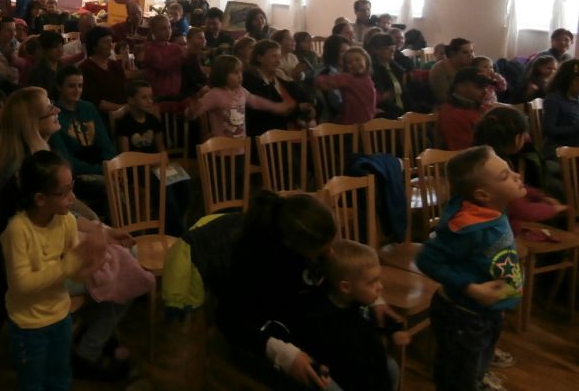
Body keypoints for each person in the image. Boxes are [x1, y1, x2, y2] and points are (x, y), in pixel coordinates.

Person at [0, 87, 134, 380]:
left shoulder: (36, 159)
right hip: (40, 272)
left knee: (125, 255)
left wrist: (103, 230)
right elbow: (44, 239)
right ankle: (88, 349)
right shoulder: (24, 175)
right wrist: (90, 244)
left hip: (54, 257)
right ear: (32, 123)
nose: (57, 110)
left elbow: (68, 215)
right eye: (49, 108)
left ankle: (88, 337)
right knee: (127, 268)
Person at [416, 145, 525, 391]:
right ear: (483, 195)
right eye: (505, 175)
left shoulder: (494, 208)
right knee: (457, 375)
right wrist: (471, 288)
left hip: (486, 312)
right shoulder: (465, 228)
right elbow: (427, 260)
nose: (517, 175)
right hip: (464, 317)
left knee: (478, 361)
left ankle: (478, 377)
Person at [1, 150, 107, 391]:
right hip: (28, 325)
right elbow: (21, 284)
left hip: (60, 316)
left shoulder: (67, 221)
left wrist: (91, 263)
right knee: (32, 384)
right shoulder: (18, 230)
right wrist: (71, 263)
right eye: (64, 192)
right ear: (40, 198)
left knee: (60, 379)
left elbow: (73, 273)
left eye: (72, 187)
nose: (72, 197)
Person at [215, 191, 341, 389]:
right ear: (294, 246)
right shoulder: (256, 261)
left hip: (299, 328)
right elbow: (231, 320)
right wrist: (282, 353)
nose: (331, 254)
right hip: (264, 340)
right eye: (323, 251)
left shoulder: (305, 248)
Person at [289, 240, 408, 391]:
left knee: (393, 369)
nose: (380, 286)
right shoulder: (320, 316)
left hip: (372, 367)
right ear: (346, 287)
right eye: (372, 282)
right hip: (351, 377)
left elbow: (380, 320)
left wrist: (395, 330)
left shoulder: (359, 300)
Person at [473, 107, 566, 233]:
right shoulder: (497, 168)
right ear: (517, 139)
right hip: (498, 233)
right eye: (524, 136)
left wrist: (540, 196)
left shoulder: (486, 159)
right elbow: (520, 209)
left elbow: (517, 186)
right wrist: (554, 209)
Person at [115, 79, 189, 236]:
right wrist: (151, 164)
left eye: (151, 97)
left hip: (157, 165)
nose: (149, 101)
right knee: (165, 190)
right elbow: (125, 154)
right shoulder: (124, 123)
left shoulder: (153, 120)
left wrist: (165, 163)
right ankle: (176, 232)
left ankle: (175, 222)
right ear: (131, 100)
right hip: (138, 169)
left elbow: (160, 147)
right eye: (144, 97)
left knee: (183, 182)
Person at [49, 66, 115, 209]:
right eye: (71, 86)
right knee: (110, 187)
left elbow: (105, 144)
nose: (77, 90)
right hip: (76, 172)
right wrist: (101, 170)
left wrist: (110, 165)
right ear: (59, 87)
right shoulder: (54, 115)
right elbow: (65, 158)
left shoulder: (88, 108)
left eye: (80, 86)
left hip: (100, 164)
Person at [188, 54, 293, 140]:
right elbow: (195, 112)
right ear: (222, 74)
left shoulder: (241, 91)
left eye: (240, 72)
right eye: (235, 72)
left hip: (241, 147)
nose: (240, 76)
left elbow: (255, 101)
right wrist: (192, 110)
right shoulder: (215, 94)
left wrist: (275, 107)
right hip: (222, 150)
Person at [243, 39, 314, 137]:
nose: (278, 61)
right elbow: (267, 113)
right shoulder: (250, 81)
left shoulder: (281, 79)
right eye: (274, 56)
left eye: (279, 57)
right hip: (269, 137)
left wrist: (309, 110)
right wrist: (298, 108)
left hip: (294, 134)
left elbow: (304, 98)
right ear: (260, 58)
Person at [313, 47, 377, 125]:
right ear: (346, 67)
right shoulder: (348, 78)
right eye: (350, 62)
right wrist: (317, 79)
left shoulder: (368, 79)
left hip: (368, 121)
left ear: (366, 61)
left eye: (357, 60)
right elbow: (327, 81)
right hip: (351, 123)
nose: (354, 63)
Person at [438, 67, 495, 150]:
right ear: (461, 87)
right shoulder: (454, 115)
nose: (485, 91)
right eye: (479, 87)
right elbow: (465, 150)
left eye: (486, 87)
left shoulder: (478, 106)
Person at [78, 26, 127, 115]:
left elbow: (125, 88)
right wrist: (123, 109)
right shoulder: (85, 68)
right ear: (94, 46)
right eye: (105, 42)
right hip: (101, 115)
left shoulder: (114, 65)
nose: (110, 45)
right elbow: (94, 101)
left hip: (124, 110)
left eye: (111, 41)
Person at [541, 58, 579, 160]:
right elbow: (548, 129)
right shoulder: (554, 99)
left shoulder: (576, 98)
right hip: (558, 151)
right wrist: (575, 128)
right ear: (568, 80)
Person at [142, 14, 186, 101]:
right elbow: (162, 65)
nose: (168, 31)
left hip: (175, 93)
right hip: (157, 95)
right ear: (153, 31)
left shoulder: (176, 47)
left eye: (169, 27)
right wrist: (184, 55)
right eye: (163, 29)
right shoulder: (149, 49)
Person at [368, 33, 408, 119]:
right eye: (387, 48)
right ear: (375, 50)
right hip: (385, 110)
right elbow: (381, 98)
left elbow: (403, 93)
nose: (392, 50)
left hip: (401, 107)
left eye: (393, 47)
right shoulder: (372, 71)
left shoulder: (396, 68)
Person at [429, 37, 475, 104]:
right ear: (453, 53)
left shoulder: (472, 65)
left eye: (472, 51)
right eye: (465, 52)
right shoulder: (439, 69)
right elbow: (444, 98)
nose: (471, 55)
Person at [26, 31, 64, 98]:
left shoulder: (63, 69)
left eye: (61, 46)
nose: (60, 50)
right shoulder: (37, 73)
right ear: (44, 49)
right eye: (55, 47)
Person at [179, 26, 210, 99]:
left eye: (204, 38)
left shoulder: (200, 54)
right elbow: (197, 77)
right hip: (189, 91)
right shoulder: (188, 56)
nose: (203, 40)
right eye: (200, 38)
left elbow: (205, 67)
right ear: (189, 39)